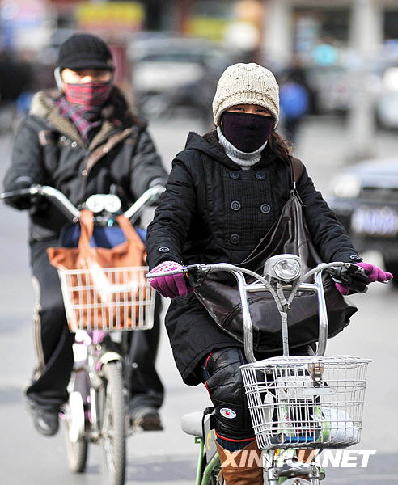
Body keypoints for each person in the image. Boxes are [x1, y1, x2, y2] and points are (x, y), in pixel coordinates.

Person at [145, 63, 392, 484]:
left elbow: (323, 222)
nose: (249, 120)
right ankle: (244, 475)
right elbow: (166, 220)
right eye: (239, 109)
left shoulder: (289, 169)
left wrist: (348, 261)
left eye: (261, 112)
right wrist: (166, 260)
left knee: (304, 400)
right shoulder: (191, 163)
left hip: (275, 304)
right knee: (234, 382)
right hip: (205, 300)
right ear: (220, 112)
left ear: (275, 118)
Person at [3, 33, 167, 436]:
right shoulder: (38, 126)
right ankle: (47, 395)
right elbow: (19, 173)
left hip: (115, 237)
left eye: (99, 73)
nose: (90, 82)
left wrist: (161, 186)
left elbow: (149, 169)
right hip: (56, 238)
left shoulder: (129, 127)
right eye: (80, 73)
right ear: (61, 77)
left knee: (144, 298)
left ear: (112, 77)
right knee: (57, 307)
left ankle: (143, 397)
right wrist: (25, 185)